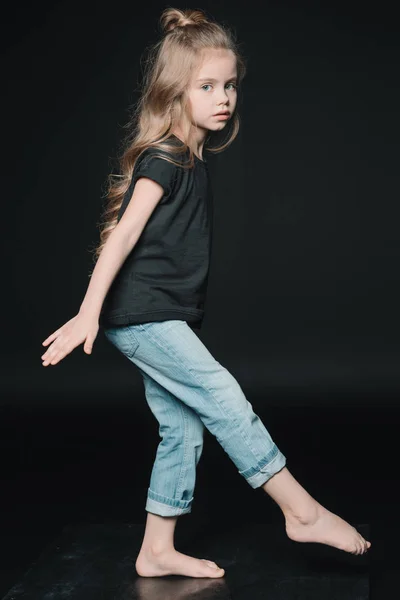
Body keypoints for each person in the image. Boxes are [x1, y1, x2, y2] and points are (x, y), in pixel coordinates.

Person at [40, 7, 370, 579]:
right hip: (140, 316)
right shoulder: (163, 159)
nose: (224, 97)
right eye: (207, 86)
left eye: (230, 85)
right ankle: (301, 510)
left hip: (159, 316)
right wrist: (88, 313)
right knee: (222, 396)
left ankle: (156, 549)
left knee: (183, 426)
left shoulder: (191, 159)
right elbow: (119, 241)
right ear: (174, 93)